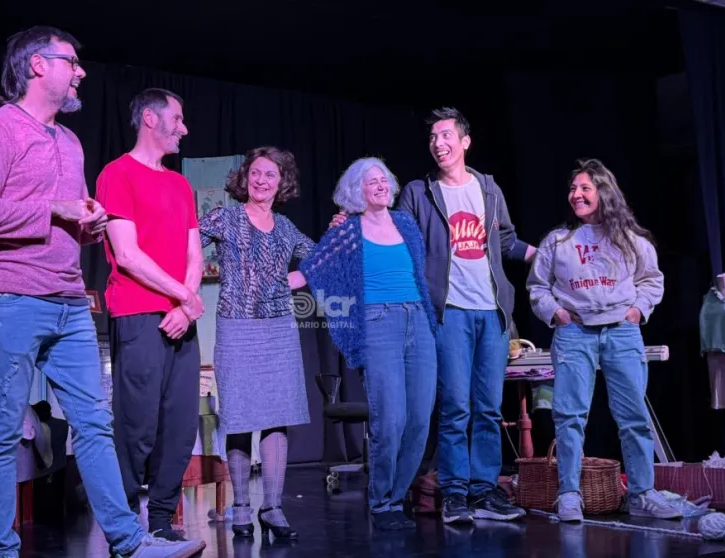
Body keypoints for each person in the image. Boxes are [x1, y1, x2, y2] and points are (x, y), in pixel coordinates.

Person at [0, 27, 202, 558]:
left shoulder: (69, 142)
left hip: (68, 301)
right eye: (72, 62)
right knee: (1, 430)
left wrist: (88, 221)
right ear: (38, 66)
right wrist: (53, 211)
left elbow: (70, 219)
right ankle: (1, 549)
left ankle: (128, 541)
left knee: (93, 423)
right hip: (8, 299)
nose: (81, 71)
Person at [333, 108, 534, 523]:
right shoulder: (418, 192)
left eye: (446, 136)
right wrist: (351, 223)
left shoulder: (490, 189)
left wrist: (548, 255)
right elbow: (392, 231)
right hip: (448, 311)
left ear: (464, 141)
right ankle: (455, 491)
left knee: (489, 407)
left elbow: (508, 241)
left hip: (492, 312)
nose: (438, 144)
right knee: (455, 405)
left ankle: (485, 490)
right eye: (432, 139)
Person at [526, 158, 681, 522]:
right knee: (569, 417)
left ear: (603, 193)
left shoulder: (631, 240)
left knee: (634, 417)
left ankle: (642, 494)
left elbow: (651, 280)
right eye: (573, 189)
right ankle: (569, 495)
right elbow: (537, 287)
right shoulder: (558, 241)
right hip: (575, 333)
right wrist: (558, 315)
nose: (575, 195)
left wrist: (638, 311)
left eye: (584, 188)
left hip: (621, 332)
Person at [299, 157, 438, 530]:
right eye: (370, 182)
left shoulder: (406, 223)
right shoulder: (348, 229)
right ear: (355, 192)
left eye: (383, 180)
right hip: (378, 321)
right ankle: (382, 504)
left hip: (418, 320)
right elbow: (315, 267)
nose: (379, 185)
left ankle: (398, 495)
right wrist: (274, 285)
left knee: (419, 419)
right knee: (389, 418)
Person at [96, 88, 207, 544]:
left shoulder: (179, 183)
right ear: (149, 118)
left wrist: (186, 303)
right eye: (177, 119)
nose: (183, 128)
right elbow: (127, 254)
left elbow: (194, 252)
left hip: (181, 317)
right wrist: (184, 297)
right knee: (136, 423)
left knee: (180, 425)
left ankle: (161, 520)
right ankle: (124, 526)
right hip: (139, 314)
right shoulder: (116, 174)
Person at [197, 146, 314, 540]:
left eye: (271, 175)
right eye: (257, 173)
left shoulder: (285, 228)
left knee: (277, 415)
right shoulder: (226, 218)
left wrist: (293, 281)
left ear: (282, 183)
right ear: (245, 178)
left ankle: (273, 507)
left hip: (279, 329)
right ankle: (242, 507)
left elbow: (320, 259)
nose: (262, 180)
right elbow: (187, 244)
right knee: (241, 417)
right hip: (236, 327)